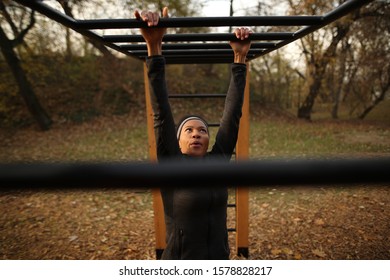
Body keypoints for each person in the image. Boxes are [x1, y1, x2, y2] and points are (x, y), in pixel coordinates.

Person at [135, 7, 252, 260]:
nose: (197, 134)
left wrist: (239, 59)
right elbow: (162, 114)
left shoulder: (218, 161)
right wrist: (154, 48)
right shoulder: (171, 164)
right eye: (188, 130)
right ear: (177, 141)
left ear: (209, 140)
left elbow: (231, 117)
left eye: (202, 130)